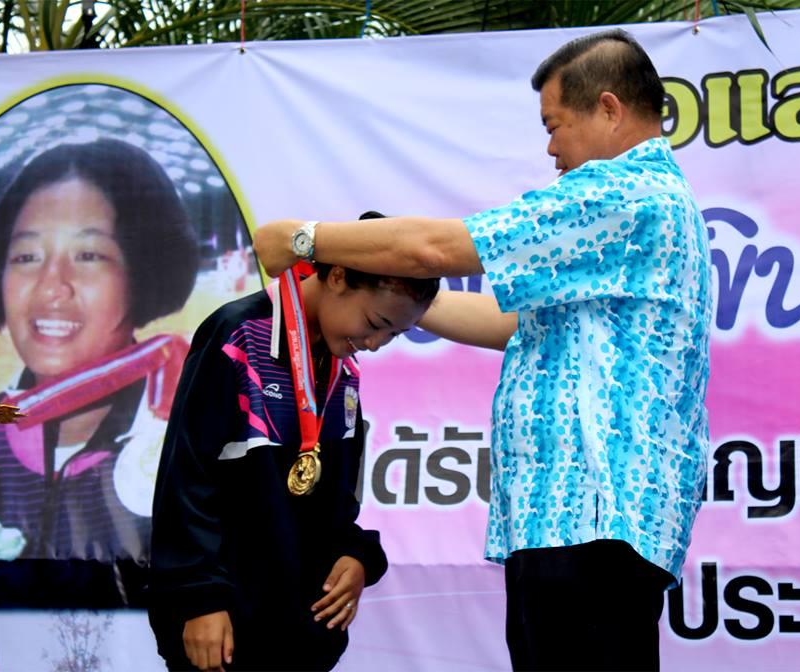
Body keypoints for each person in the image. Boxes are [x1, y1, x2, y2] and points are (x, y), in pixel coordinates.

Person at [253, 29, 712, 672]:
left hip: (590, 523)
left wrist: (304, 239)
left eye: (554, 126)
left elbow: (437, 250)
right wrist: (401, 303)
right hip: (576, 525)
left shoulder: (624, 194)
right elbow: (514, 324)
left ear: (609, 109)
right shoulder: (647, 206)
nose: (550, 149)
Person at [149, 212, 440, 671]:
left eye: (394, 334)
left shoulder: (344, 368)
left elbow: (335, 499)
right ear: (337, 276)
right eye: (376, 322)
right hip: (225, 628)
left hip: (299, 636)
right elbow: (185, 477)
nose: (377, 343)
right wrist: (198, 597)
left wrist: (355, 554)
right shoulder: (239, 335)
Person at [0, 138, 199, 608]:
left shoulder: (188, 432)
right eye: (26, 256)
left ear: (143, 271)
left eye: (88, 256)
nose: (51, 287)